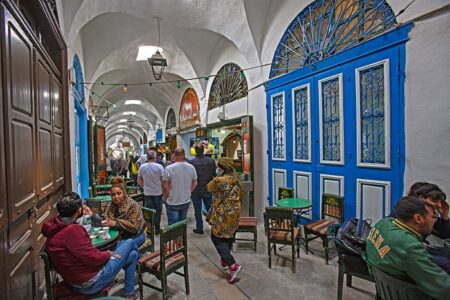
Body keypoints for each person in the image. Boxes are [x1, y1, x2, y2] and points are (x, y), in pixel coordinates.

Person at [42, 192, 139, 299]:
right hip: (90, 283)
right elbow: (93, 258)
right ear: (79, 210)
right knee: (130, 242)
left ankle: (130, 293)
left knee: (132, 254)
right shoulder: (73, 230)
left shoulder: (54, 227)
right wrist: (107, 254)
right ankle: (138, 268)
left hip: (75, 279)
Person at [365, 196, 450, 299]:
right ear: (418, 218)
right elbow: (444, 288)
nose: (435, 221)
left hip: (386, 286)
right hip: (408, 294)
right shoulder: (410, 248)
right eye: (434, 216)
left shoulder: (384, 223)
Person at [206, 157, 243, 284]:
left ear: (221, 168)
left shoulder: (219, 180)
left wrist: (216, 177)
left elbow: (208, 188)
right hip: (234, 214)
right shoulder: (236, 179)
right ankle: (224, 259)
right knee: (228, 235)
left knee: (216, 237)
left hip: (222, 215)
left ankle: (232, 265)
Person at [88, 177, 145, 248]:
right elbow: (105, 219)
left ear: (124, 193)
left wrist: (115, 223)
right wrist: (91, 215)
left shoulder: (133, 205)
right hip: (120, 235)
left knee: (118, 247)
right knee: (130, 254)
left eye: (119, 193)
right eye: (113, 194)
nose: (116, 197)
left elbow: (135, 227)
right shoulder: (111, 205)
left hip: (136, 235)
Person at [162, 147, 197, 225]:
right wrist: (189, 191)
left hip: (172, 201)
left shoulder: (168, 168)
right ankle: (181, 237)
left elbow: (165, 187)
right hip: (185, 200)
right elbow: (195, 183)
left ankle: (176, 237)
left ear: (174, 155)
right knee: (182, 223)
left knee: (173, 226)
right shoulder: (191, 167)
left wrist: (165, 198)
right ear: (184, 155)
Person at [189, 143, 216, 234]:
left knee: (197, 210)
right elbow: (214, 174)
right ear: (203, 150)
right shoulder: (211, 161)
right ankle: (214, 226)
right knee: (209, 208)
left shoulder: (192, 162)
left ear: (196, 151)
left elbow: (191, 177)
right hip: (207, 188)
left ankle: (199, 228)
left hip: (196, 189)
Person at [137, 150, 165, 234]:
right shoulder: (159, 167)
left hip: (147, 193)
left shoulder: (142, 167)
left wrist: (144, 186)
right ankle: (157, 229)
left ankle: (149, 230)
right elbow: (163, 180)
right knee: (158, 211)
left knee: (148, 212)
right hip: (158, 193)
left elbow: (139, 180)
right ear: (154, 157)